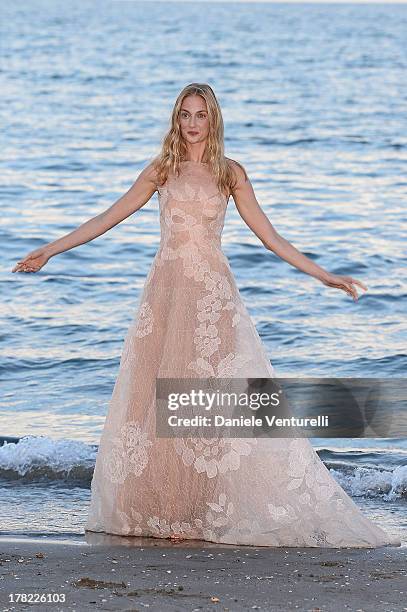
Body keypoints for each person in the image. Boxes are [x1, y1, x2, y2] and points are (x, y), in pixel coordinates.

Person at [12, 83, 400, 548]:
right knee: (156, 404)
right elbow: (106, 218)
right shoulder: (162, 170)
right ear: (176, 120)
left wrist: (322, 275)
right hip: (165, 295)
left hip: (211, 297)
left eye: (201, 115)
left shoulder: (229, 173)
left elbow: (269, 236)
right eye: (185, 115)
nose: (192, 123)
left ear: (213, 120)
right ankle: (164, 511)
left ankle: (198, 510)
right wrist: (50, 251)